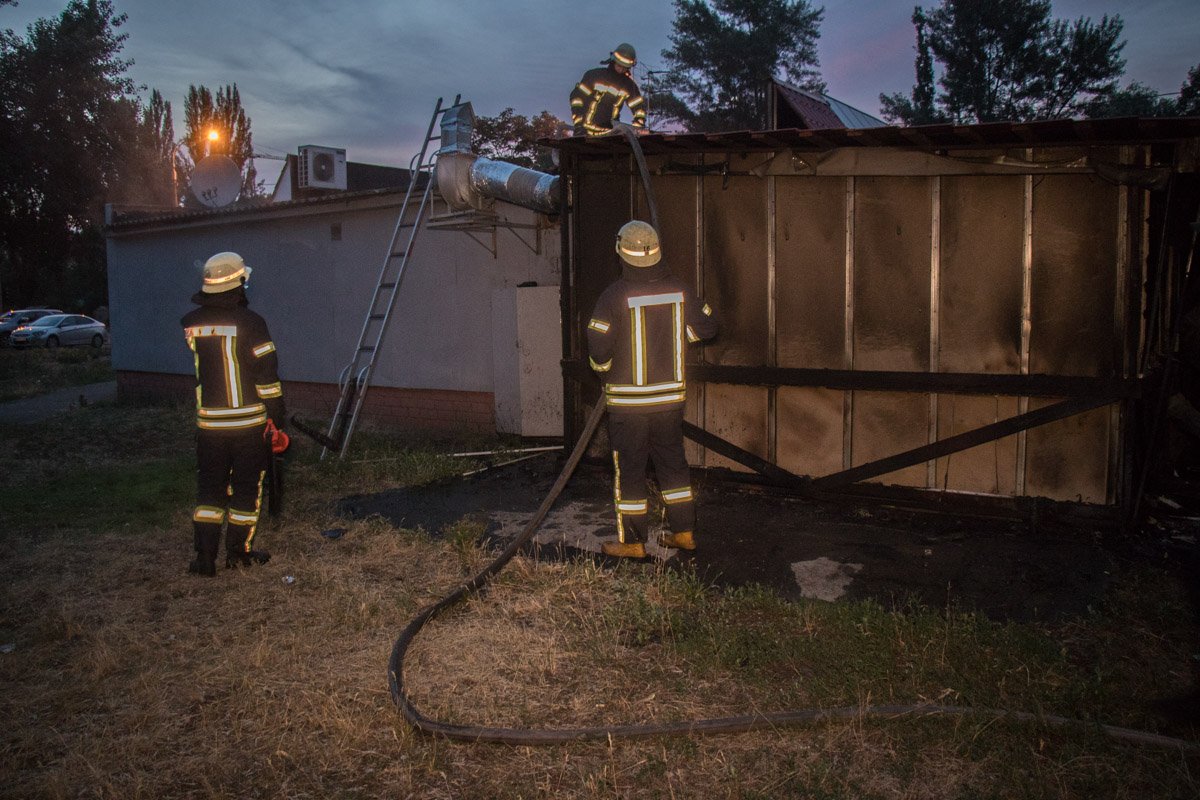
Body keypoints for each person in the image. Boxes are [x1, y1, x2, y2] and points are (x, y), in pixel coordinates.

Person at [587, 220, 717, 558]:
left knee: (630, 471)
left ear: (621, 252)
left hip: (628, 406)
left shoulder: (613, 295)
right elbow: (708, 326)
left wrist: (604, 372)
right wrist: (679, 340)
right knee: (673, 465)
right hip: (669, 402)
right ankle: (685, 533)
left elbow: (597, 345)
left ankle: (632, 543)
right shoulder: (680, 289)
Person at [181, 251, 285, 575]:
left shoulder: (191, 323)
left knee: (209, 490)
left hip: (209, 425)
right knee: (246, 489)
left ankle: (204, 558)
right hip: (247, 426)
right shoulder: (253, 324)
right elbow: (267, 378)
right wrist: (277, 420)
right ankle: (239, 553)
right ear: (238, 283)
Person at [570, 43, 647, 136]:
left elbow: (639, 110)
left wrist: (636, 129)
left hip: (610, 134)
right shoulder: (594, 76)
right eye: (619, 65)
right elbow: (577, 98)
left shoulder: (629, 86)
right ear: (613, 60)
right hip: (585, 132)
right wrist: (578, 124)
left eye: (625, 67)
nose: (621, 69)